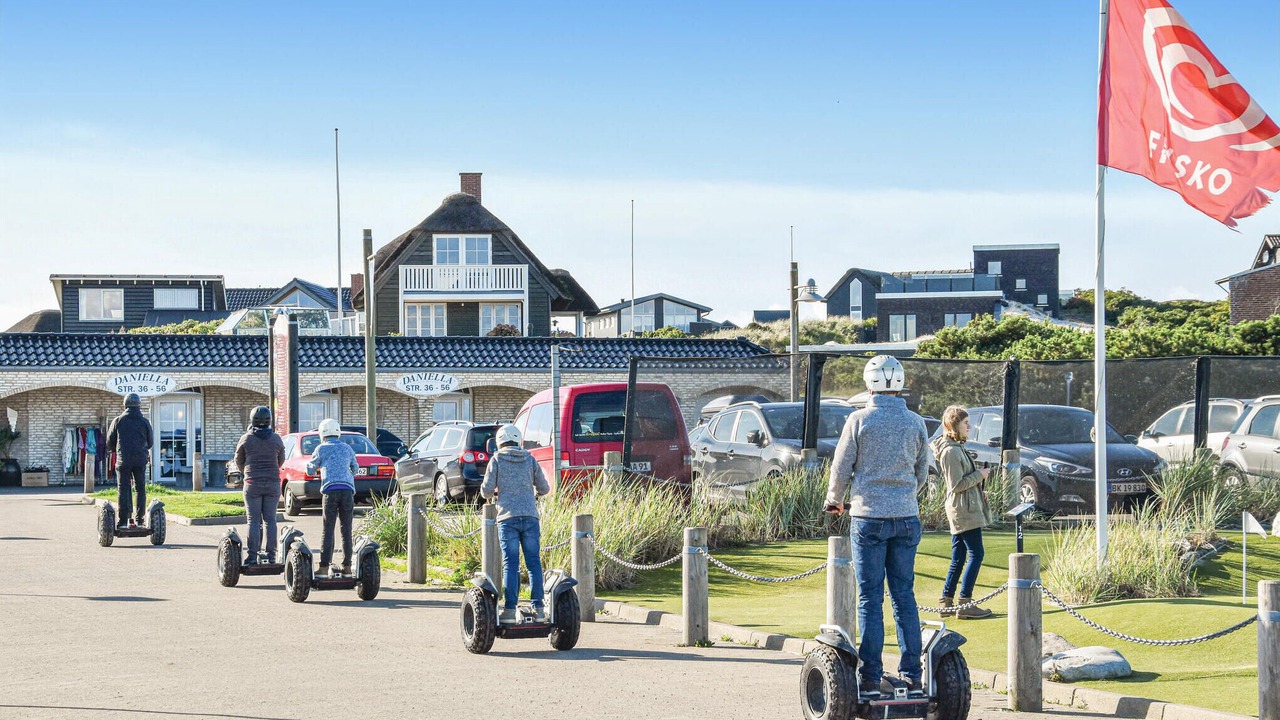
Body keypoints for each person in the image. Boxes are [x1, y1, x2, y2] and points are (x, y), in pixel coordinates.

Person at [824, 355, 930, 694]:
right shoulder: (916, 422)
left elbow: (841, 467)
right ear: (900, 383)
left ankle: (870, 677)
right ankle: (913, 674)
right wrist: (906, 495)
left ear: (869, 383)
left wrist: (835, 499)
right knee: (904, 595)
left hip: (868, 517)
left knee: (870, 598)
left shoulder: (858, 419)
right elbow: (922, 472)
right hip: (906, 516)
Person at [480, 424, 552, 623]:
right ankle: (538, 609)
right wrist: (533, 493)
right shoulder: (529, 458)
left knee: (510, 564)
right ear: (518, 440)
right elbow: (544, 488)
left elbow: (486, 491)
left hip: (507, 518)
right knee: (533, 563)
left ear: (499, 442)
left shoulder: (496, 459)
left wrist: (496, 492)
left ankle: (510, 610)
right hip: (530, 516)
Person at [931, 405, 994, 620]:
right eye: (965, 422)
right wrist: (980, 475)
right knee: (977, 554)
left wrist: (978, 486)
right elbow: (955, 485)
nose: (969, 426)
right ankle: (965, 603)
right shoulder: (950, 451)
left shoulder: (956, 447)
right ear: (954, 425)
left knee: (959, 556)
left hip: (965, 506)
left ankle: (946, 601)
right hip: (963, 509)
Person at [233, 406, 285, 565]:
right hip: (272, 484)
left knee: (253, 521)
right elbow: (281, 461)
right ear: (269, 420)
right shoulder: (276, 439)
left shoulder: (246, 438)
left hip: (252, 483)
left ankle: (252, 556)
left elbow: (238, 460)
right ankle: (271, 556)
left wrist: (246, 472)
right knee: (270, 520)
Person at [306, 419, 358, 576]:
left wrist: (314, 468)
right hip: (347, 491)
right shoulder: (347, 448)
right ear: (338, 432)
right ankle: (347, 567)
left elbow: (310, 470)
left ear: (322, 434)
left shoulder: (321, 448)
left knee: (328, 529)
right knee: (346, 529)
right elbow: (355, 468)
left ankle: (323, 567)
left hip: (329, 490)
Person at [105, 393, 153, 529]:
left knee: (123, 488)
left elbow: (109, 442)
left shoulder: (118, 420)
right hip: (140, 459)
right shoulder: (144, 422)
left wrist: (118, 449)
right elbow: (150, 442)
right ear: (139, 406)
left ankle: (123, 521)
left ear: (125, 405)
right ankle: (140, 519)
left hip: (123, 459)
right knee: (140, 488)